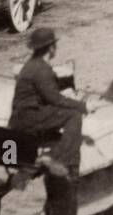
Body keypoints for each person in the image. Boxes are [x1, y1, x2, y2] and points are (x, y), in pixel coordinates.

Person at [9, 27, 89, 179]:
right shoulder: (41, 69)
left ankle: (58, 154)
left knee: (64, 119)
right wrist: (83, 106)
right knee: (74, 116)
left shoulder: (31, 65)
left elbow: (49, 98)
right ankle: (62, 161)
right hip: (29, 117)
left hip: (23, 116)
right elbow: (55, 99)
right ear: (51, 48)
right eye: (54, 46)